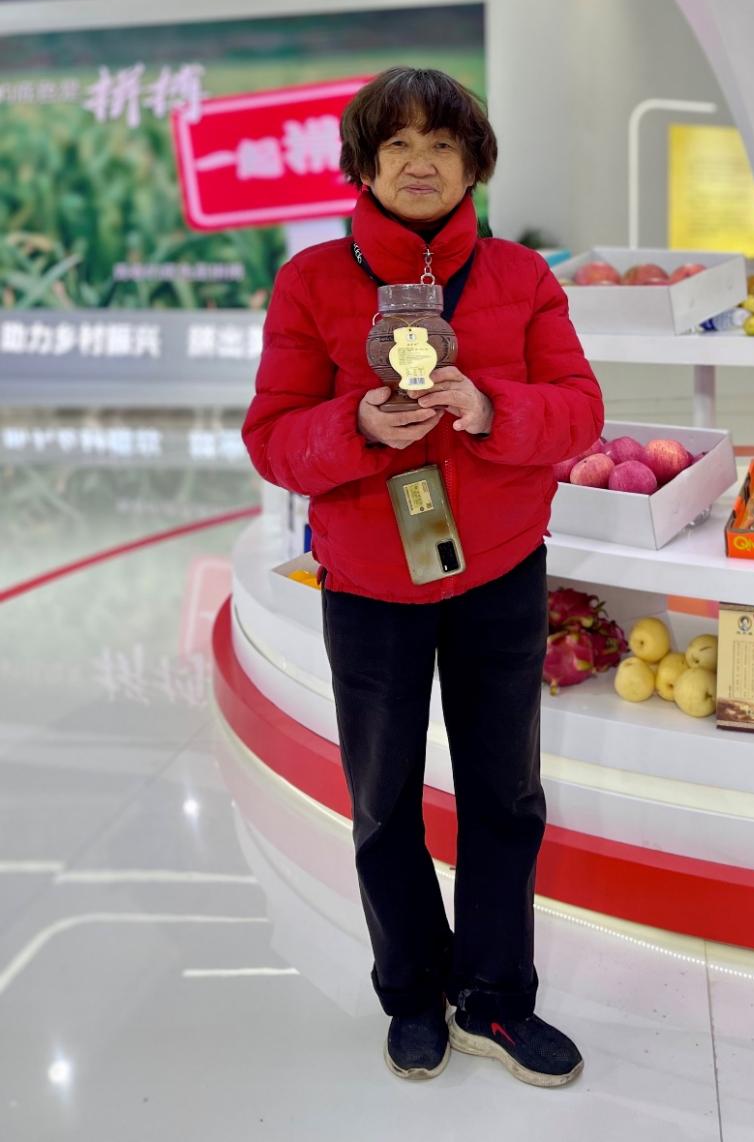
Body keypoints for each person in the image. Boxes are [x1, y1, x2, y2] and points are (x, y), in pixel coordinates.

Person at [243, 67, 604, 1089]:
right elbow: (271, 437)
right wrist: (354, 425)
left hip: (498, 570)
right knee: (381, 799)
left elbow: (580, 411)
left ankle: (494, 997)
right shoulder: (312, 281)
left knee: (505, 794)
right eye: (395, 143)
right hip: (367, 581)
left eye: (441, 143)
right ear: (362, 165)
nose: (418, 162)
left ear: (472, 164)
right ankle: (410, 992)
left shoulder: (521, 278)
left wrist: (489, 410)